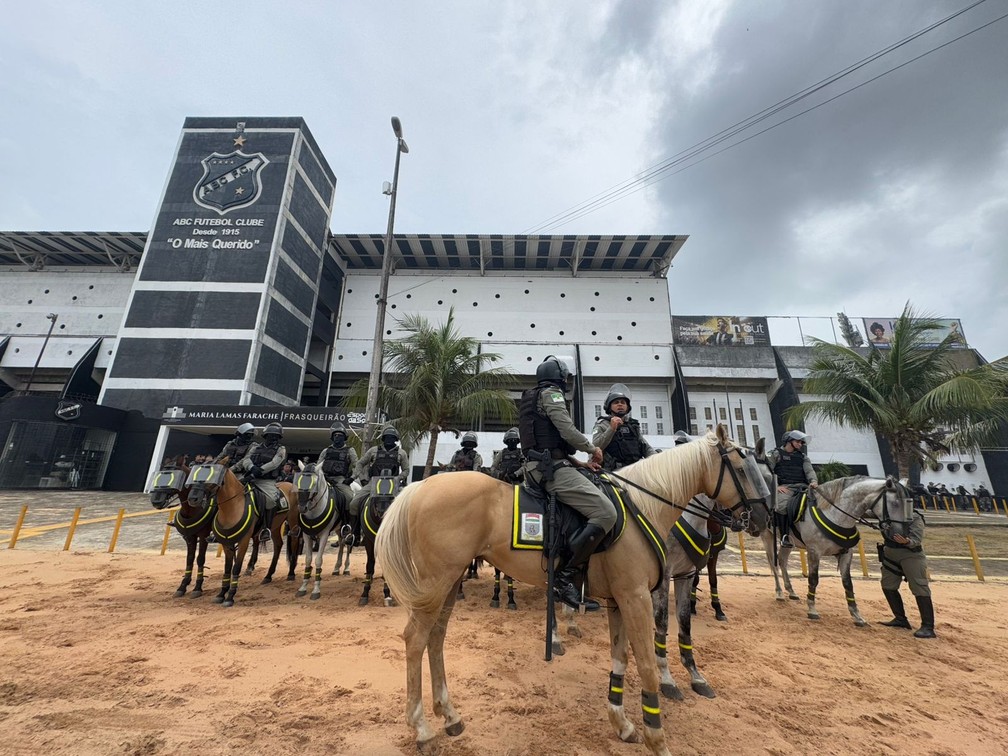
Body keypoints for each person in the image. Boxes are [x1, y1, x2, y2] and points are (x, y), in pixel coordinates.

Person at [520, 355, 613, 612]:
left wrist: (579, 464)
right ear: (561, 377)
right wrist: (592, 449)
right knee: (606, 512)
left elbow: (549, 443)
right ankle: (565, 576)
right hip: (550, 472)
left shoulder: (532, 396)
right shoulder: (553, 395)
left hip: (540, 465)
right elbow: (567, 431)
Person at [878, 508, 936, 638]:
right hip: (890, 554)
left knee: (919, 587)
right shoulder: (885, 513)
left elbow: (916, 539)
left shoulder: (914, 516)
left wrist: (907, 541)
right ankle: (900, 619)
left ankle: (928, 626)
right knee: (888, 585)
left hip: (910, 555)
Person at [348, 426, 409, 542]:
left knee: (406, 505)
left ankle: (404, 535)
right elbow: (360, 463)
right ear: (383, 438)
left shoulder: (402, 453)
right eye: (387, 437)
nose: (389, 440)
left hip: (393, 484)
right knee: (354, 504)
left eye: (392, 438)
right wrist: (360, 478)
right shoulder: (373, 450)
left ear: (395, 439)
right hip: (374, 483)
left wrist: (399, 478)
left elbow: (406, 469)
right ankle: (355, 534)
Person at [232, 422, 287, 540]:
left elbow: (274, 463)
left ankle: (266, 528)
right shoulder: (256, 447)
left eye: (276, 436)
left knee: (271, 501)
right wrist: (251, 467)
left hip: (266, 481)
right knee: (229, 494)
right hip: (249, 477)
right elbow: (246, 459)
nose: (273, 438)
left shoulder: (281, 449)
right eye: (270, 435)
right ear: (265, 436)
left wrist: (259, 470)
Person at [765, 430, 818, 548]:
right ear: (789, 441)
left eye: (802, 443)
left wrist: (813, 481)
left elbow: (809, 471)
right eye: (798, 441)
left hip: (803, 487)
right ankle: (785, 537)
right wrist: (776, 486)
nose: (800, 444)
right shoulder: (775, 454)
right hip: (785, 488)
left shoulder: (803, 457)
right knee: (782, 505)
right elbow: (768, 472)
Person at [592, 383, 656, 470]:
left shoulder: (633, 425)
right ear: (609, 406)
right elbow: (595, 447)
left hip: (636, 469)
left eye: (623, 402)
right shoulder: (602, 424)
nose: (620, 405)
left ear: (627, 406)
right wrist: (611, 429)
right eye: (616, 402)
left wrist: (657, 459)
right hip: (613, 472)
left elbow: (645, 446)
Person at [316, 421, 358, 510]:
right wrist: (323, 476)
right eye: (335, 435)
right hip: (325, 479)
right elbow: (318, 466)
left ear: (344, 437)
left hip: (340, 480)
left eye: (340, 435)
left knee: (349, 497)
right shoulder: (326, 450)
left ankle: (347, 521)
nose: (337, 437)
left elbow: (357, 466)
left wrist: (351, 478)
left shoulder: (350, 450)